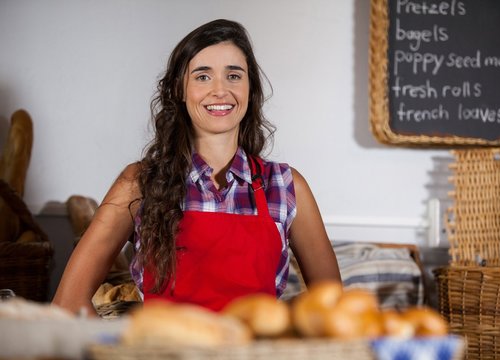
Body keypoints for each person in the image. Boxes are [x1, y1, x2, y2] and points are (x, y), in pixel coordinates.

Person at [53, 19, 341, 315]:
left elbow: (334, 312)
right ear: (180, 89)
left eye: (233, 75)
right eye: (203, 77)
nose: (220, 90)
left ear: (250, 88)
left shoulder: (285, 186)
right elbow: (67, 304)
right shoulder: (139, 183)